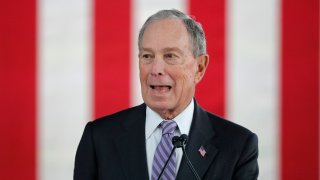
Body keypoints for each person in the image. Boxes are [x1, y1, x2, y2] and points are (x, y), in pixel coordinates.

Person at [74, 9, 258, 180]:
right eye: (147, 56)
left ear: (199, 67)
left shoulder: (237, 146)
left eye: (170, 56)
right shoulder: (99, 138)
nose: (156, 69)